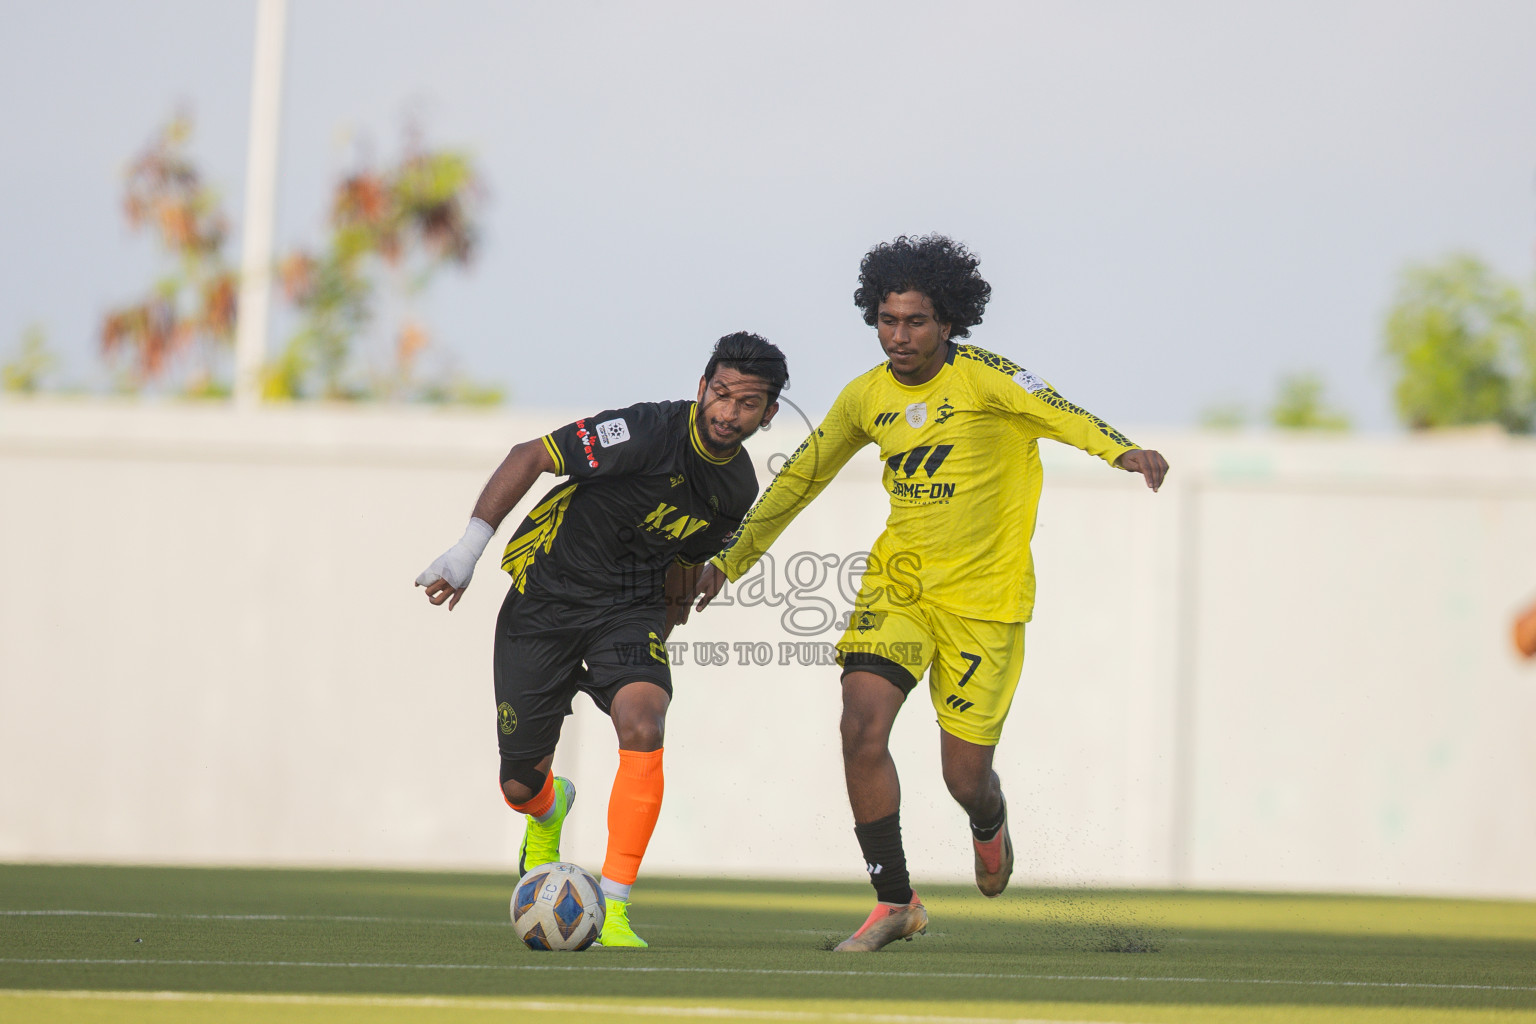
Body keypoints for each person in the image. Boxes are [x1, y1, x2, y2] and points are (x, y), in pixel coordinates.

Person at [691, 235, 1168, 952]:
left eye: (915, 321)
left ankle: (987, 820)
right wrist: (733, 558)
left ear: (948, 322)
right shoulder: (866, 396)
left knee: (963, 777)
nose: (899, 336)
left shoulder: (987, 380)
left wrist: (1121, 450)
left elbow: (1060, 411)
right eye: (887, 319)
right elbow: (799, 480)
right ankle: (895, 901)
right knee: (860, 723)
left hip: (985, 603)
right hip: (900, 587)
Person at [416, 332, 787, 948]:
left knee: (645, 721)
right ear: (701, 388)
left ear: (768, 414)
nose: (729, 413)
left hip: (629, 609)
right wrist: (466, 553)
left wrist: (657, 639)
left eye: (748, 404)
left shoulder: (736, 489)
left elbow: (680, 561)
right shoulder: (644, 432)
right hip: (546, 599)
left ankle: (613, 909)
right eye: (721, 394)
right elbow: (530, 454)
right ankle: (547, 809)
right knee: (518, 786)